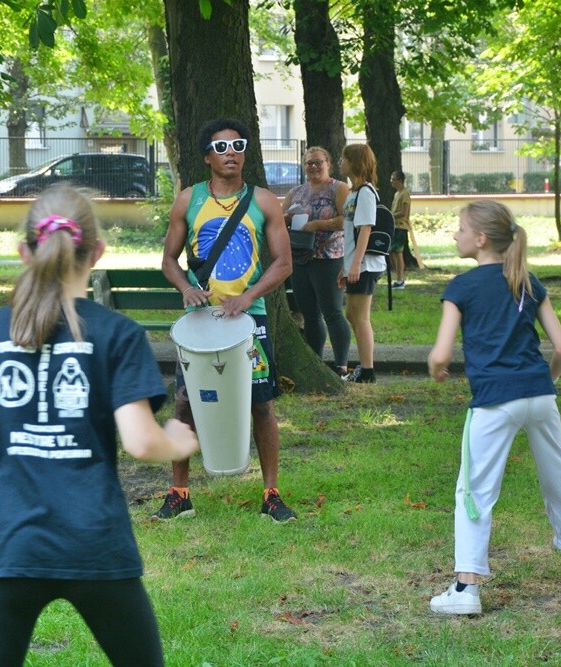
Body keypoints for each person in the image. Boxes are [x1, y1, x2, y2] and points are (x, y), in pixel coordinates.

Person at [0, 184, 198, 666]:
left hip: (11, 546)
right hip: (95, 541)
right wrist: (177, 441)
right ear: (97, 252)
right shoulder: (119, 334)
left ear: (24, 252)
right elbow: (142, 443)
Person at [427, 201, 561, 616]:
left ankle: (465, 587)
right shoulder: (527, 281)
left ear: (480, 239)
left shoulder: (461, 287)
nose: (455, 235)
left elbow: (441, 354)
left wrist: (436, 370)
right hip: (540, 395)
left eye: (460, 228)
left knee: (474, 489)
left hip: (494, 401)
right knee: (559, 476)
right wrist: (544, 383)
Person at [151, 118, 297, 523]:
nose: (230, 153)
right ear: (206, 157)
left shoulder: (264, 201)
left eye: (237, 146)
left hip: (251, 321)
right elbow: (168, 260)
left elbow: (283, 263)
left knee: (261, 403)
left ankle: (271, 495)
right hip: (200, 322)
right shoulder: (189, 200)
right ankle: (179, 494)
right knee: (185, 404)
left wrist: (248, 297)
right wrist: (186, 287)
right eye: (220, 148)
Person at [281, 147, 351, 375]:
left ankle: (341, 367)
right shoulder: (295, 192)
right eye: (309, 163)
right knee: (310, 315)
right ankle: (316, 365)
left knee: (333, 313)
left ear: (328, 163)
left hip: (328, 258)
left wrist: (316, 225)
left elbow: (347, 220)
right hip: (300, 259)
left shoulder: (339, 188)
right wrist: (287, 218)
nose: (313, 167)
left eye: (318, 162)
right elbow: (279, 220)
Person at [337, 144, 386, 384]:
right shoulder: (354, 192)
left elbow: (366, 228)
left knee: (361, 317)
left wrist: (356, 264)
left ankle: (367, 371)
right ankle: (364, 367)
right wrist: (345, 267)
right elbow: (350, 233)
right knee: (351, 314)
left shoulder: (366, 191)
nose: (340, 163)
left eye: (344, 159)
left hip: (366, 265)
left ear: (354, 162)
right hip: (355, 263)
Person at [389, 170, 412, 290]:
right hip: (394, 226)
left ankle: (400, 280)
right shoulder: (396, 194)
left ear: (400, 181)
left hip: (401, 226)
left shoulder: (405, 194)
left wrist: (390, 215)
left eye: (393, 179)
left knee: (398, 252)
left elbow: (403, 212)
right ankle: (398, 277)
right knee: (391, 251)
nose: (391, 181)